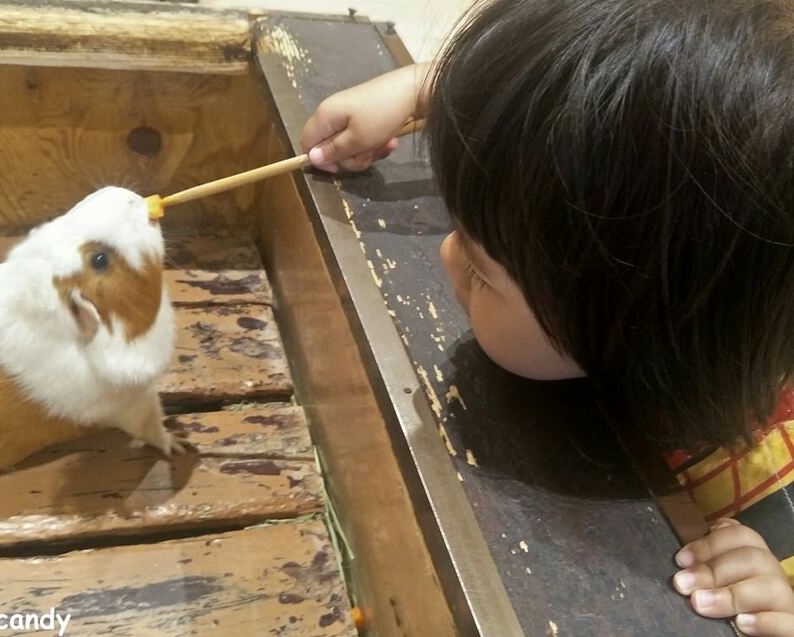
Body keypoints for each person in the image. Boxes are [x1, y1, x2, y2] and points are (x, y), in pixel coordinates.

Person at [301, 0, 794, 634]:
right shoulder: (666, 245)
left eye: (483, 270)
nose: (447, 253)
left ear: (639, 330)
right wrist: (429, 88)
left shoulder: (765, 483)